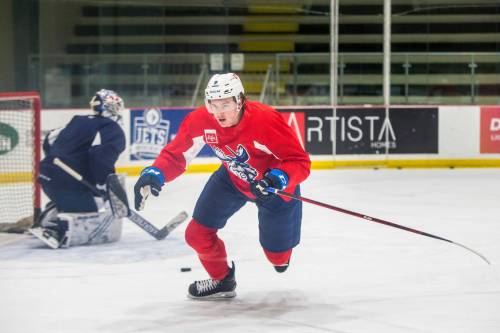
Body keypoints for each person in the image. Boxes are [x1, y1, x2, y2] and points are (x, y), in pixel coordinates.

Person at [134, 73, 311, 299]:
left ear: (240, 101)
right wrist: (155, 172)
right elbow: (176, 154)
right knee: (196, 234)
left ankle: (279, 255)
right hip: (232, 180)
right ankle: (222, 280)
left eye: (225, 104)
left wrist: (276, 179)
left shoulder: (265, 120)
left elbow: (299, 161)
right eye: (213, 104)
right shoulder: (201, 121)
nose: (219, 112)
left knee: (278, 258)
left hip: (273, 189)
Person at [30, 89, 126, 249]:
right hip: (68, 180)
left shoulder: (78, 120)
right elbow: (100, 157)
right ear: (113, 107)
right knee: (91, 209)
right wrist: (104, 184)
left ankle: (49, 217)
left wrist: (58, 160)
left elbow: (49, 139)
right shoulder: (112, 128)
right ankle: (57, 228)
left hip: (47, 174)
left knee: (87, 194)